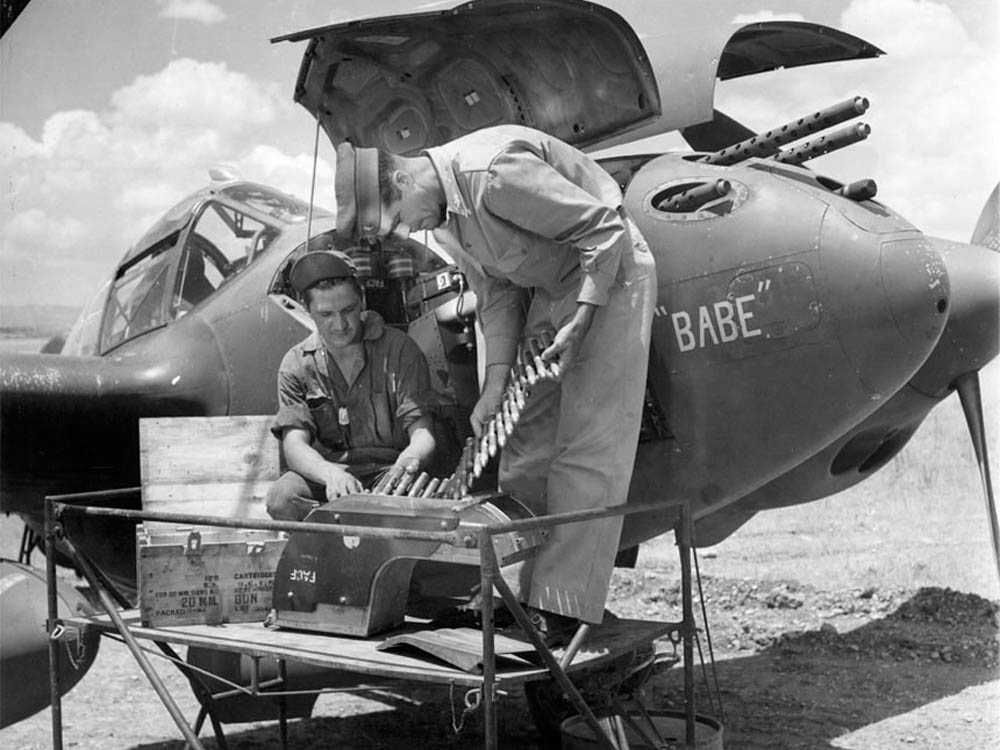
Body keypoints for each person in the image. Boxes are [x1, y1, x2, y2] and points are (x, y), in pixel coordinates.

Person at [333, 125, 656, 644]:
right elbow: (499, 293)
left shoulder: (493, 174)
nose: (406, 233)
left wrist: (586, 315)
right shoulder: (443, 226)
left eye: (398, 221)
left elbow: (602, 231)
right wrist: (495, 385)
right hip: (554, 290)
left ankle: (563, 604)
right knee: (523, 442)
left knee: (585, 445)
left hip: (610, 277)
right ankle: (510, 596)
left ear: (402, 177)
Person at [265, 250, 436, 521]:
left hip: (391, 471)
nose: (340, 324)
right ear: (307, 310)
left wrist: (408, 461)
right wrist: (330, 473)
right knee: (283, 499)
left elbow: (423, 433)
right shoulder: (296, 364)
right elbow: (294, 446)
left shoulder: (400, 349)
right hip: (330, 476)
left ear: (362, 302)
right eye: (326, 314)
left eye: (348, 310)